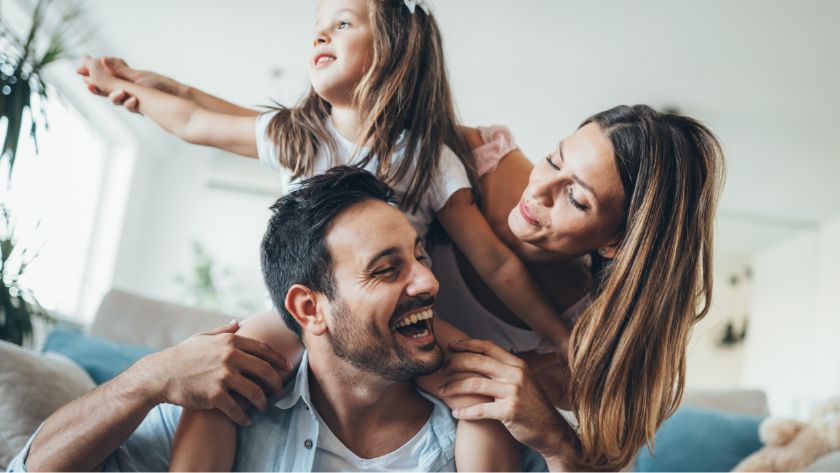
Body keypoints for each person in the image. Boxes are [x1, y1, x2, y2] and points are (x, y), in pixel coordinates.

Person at [77, 0, 571, 469]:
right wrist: (140, 92)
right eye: (319, 23)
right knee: (223, 380)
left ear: (393, 53)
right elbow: (194, 118)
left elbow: (494, 260)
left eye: (343, 23)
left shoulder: (429, 156)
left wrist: (562, 340)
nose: (320, 32)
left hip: (399, 315)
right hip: (300, 311)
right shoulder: (297, 135)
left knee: (479, 387)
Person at [9, 167, 548, 472]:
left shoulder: (483, 421)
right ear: (309, 309)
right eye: (387, 270)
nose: (429, 283)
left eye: (420, 258)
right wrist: (144, 381)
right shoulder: (226, 401)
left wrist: (559, 445)